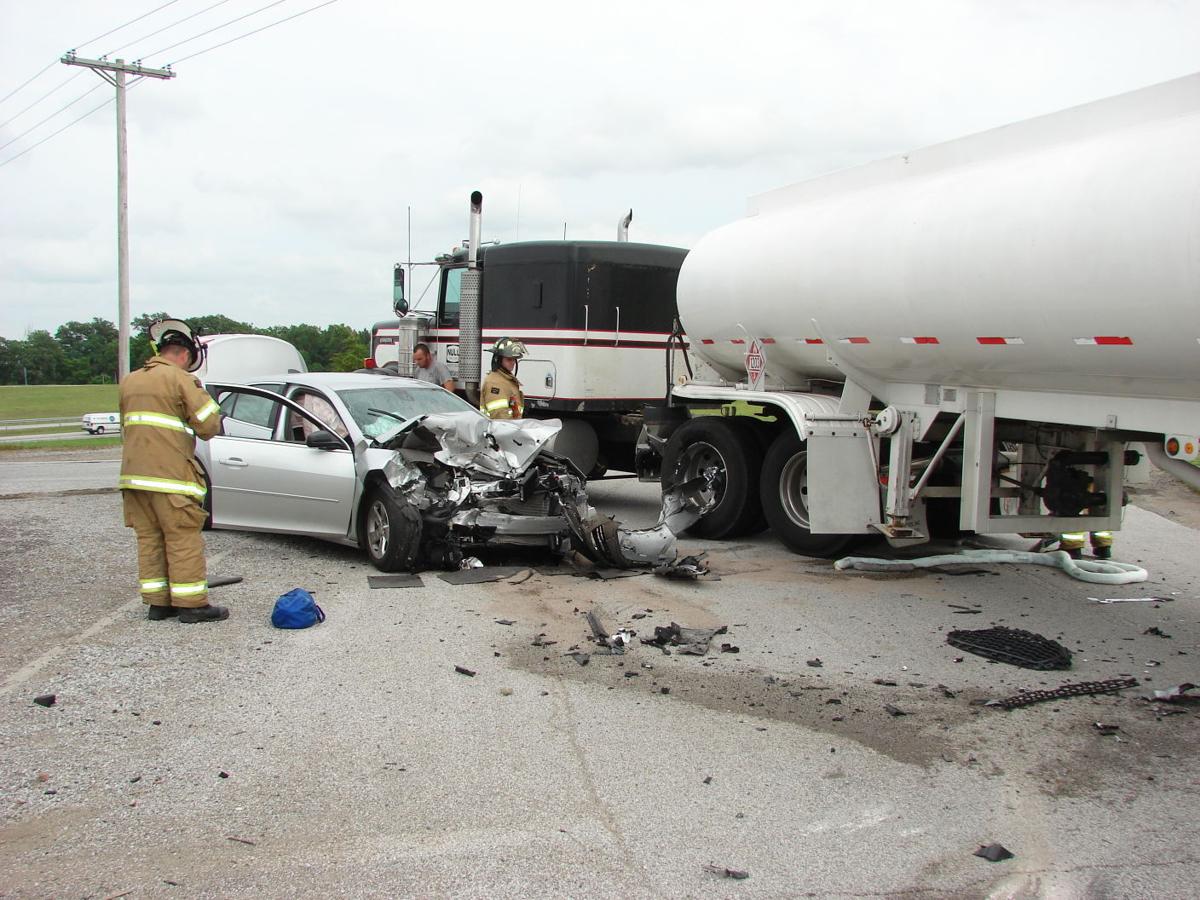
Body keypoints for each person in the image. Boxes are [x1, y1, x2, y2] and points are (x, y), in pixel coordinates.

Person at [119, 318, 228, 623]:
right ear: (184, 354)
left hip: (134, 478)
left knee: (150, 539)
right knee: (182, 538)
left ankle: (158, 604)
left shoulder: (130, 381)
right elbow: (208, 426)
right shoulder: (181, 380)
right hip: (170, 477)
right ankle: (192, 606)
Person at [480, 337, 527, 419]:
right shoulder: (495, 383)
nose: (513, 362)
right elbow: (499, 415)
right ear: (498, 360)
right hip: (503, 426)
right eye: (509, 359)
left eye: (514, 359)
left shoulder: (505, 379)